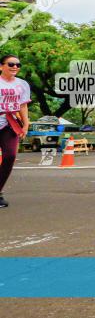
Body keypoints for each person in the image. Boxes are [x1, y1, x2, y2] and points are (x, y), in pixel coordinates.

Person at [0, 55, 31, 208]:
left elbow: (23, 106)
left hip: (10, 123)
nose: (15, 67)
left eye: (18, 65)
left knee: (10, 156)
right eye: (11, 64)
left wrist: (25, 125)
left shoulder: (22, 84)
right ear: (1, 66)